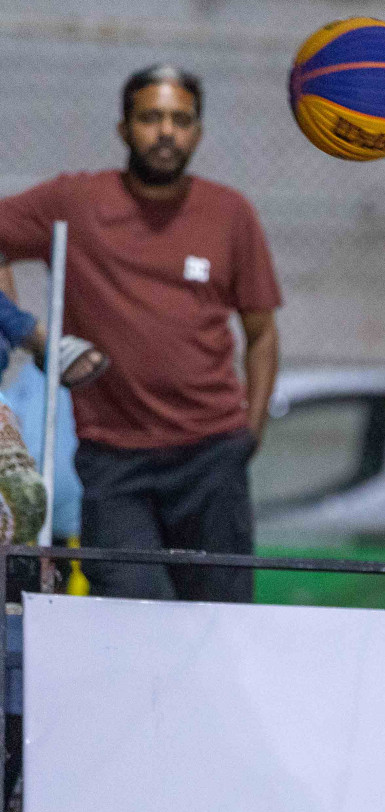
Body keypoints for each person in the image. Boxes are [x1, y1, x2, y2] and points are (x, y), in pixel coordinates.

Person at [0, 64, 282, 603]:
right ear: (124, 128)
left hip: (211, 455)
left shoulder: (230, 213)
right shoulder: (75, 203)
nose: (166, 132)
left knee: (219, 622)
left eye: (181, 119)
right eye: (151, 117)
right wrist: (26, 331)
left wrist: (250, 431)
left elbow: (262, 333)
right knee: (130, 618)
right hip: (114, 461)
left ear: (198, 131)